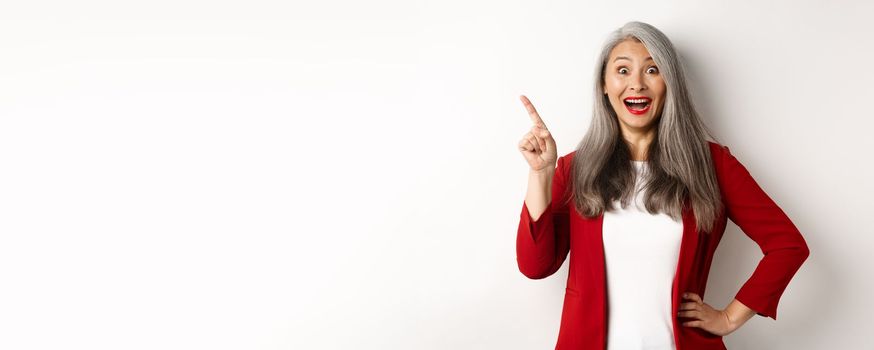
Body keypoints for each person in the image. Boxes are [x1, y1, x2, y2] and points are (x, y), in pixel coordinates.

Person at [515, 21, 810, 350]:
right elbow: (536, 266)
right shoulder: (574, 168)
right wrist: (541, 172)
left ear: (669, 82)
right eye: (623, 70)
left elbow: (787, 246)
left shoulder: (712, 165)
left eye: (652, 69)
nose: (637, 84)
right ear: (604, 84)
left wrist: (729, 317)